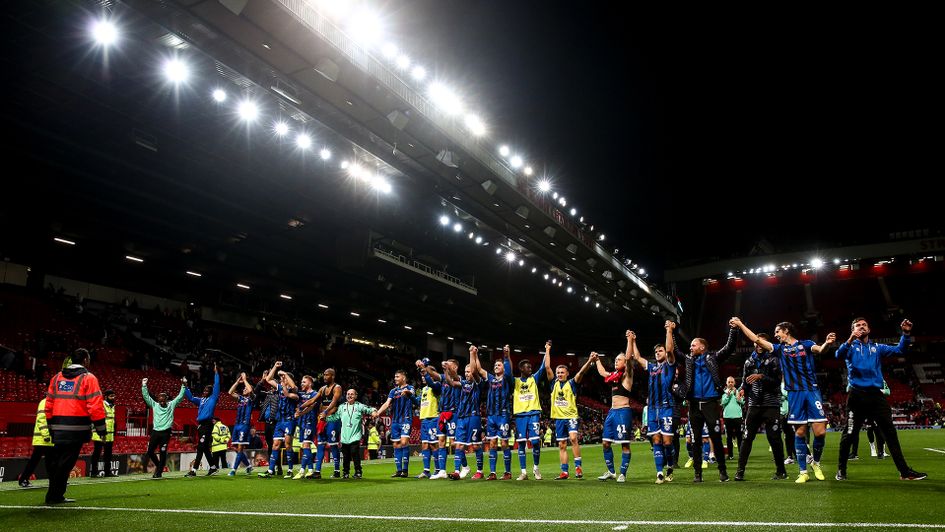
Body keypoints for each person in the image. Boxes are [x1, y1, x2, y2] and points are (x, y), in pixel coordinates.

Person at [732, 317, 836, 483]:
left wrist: (827, 343)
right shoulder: (779, 349)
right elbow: (755, 339)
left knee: (820, 432)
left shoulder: (806, 344)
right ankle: (803, 472)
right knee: (800, 432)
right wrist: (740, 324)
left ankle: (815, 462)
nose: (775, 334)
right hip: (794, 393)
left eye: (777, 331)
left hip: (811, 391)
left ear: (786, 331)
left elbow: (820, 350)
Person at [835, 318, 926, 481]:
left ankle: (905, 472)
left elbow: (900, 350)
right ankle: (841, 470)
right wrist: (850, 338)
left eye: (864, 325)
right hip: (857, 396)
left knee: (890, 434)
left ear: (869, 329)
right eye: (857, 326)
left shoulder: (877, 348)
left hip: (876, 396)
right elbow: (838, 354)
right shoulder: (850, 347)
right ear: (853, 330)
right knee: (849, 434)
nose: (861, 327)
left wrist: (905, 333)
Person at [674, 320, 737, 482]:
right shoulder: (689, 361)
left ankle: (722, 472)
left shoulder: (713, 358)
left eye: (693, 345)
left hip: (710, 404)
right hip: (694, 405)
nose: (690, 347)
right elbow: (674, 351)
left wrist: (733, 329)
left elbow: (729, 348)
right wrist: (670, 332)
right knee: (696, 440)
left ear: (702, 347)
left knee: (716, 438)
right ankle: (697, 474)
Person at [44, 348, 107, 504]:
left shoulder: (56, 377)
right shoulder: (89, 378)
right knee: (65, 464)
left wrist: (50, 425)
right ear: (85, 360)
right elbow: (95, 406)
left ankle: (54, 494)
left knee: (59, 462)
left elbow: (49, 404)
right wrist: (101, 429)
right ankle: (54, 495)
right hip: (76, 429)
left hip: (57, 427)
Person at [733, 332, 787, 481]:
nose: (758, 345)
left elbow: (777, 382)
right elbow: (745, 382)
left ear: (766, 344)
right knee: (747, 438)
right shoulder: (749, 362)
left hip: (771, 405)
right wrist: (742, 390)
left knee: (774, 438)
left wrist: (762, 376)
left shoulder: (774, 359)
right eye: (756, 342)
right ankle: (740, 471)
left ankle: (781, 471)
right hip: (754, 405)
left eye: (761, 342)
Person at [629, 321, 676, 483]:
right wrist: (633, 341)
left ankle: (670, 465)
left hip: (666, 408)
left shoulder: (670, 365)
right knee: (656, 440)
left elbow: (670, 349)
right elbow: (637, 357)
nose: (657, 352)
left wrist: (669, 331)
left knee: (667, 442)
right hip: (652, 410)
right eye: (656, 351)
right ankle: (659, 473)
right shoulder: (652, 368)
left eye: (660, 350)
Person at [593, 331, 637, 483]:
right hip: (612, 412)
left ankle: (622, 473)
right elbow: (602, 372)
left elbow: (629, 356)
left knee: (624, 444)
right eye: (616, 360)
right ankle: (611, 472)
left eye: (619, 360)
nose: (617, 361)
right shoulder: (613, 376)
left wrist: (629, 340)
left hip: (623, 411)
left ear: (625, 362)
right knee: (605, 443)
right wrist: (597, 359)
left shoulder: (628, 375)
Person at [546, 349, 597, 480]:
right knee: (562, 445)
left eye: (562, 372)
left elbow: (581, 372)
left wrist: (590, 361)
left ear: (567, 374)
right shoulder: (553, 384)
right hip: (559, 418)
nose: (559, 374)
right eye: (558, 372)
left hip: (571, 417)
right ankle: (564, 472)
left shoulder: (572, 383)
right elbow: (547, 366)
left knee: (573, 438)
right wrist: (547, 350)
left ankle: (578, 467)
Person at [447, 347, 488, 480]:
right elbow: (452, 380)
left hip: (474, 417)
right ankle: (457, 471)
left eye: (468, 372)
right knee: (458, 445)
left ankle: (480, 471)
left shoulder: (478, 383)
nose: (467, 374)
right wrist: (448, 369)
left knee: (475, 445)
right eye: (465, 372)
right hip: (462, 417)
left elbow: (476, 372)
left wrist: (472, 354)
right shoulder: (463, 383)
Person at [512, 341, 549, 480]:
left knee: (534, 442)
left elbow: (543, 367)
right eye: (528, 367)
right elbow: (508, 371)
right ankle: (523, 472)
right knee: (521, 443)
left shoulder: (534, 379)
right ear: (521, 369)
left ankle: (536, 468)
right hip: (520, 415)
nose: (530, 369)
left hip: (533, 413)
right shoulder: (515, 381)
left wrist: (547, 350)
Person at [299, 368, 343, 479]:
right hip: (322, 420)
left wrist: (325, 411)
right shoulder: (322, 389)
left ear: (332, 376)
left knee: (333, 445)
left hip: (333, 419)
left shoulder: (337, 387)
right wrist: (300, 408)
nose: (324, 377)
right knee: (320, 445)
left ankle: (337, 470)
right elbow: (312, 400)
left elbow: (334, 402)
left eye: (327, 375)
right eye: (324, 375)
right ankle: (317, 471)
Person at [478, 345, 514, 480]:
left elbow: (509, 369)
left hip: (503, 415)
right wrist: (474, 355)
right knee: (492, 443)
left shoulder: (507, 379)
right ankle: (492, 472)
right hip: (491, 416)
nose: (496, 366)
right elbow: (480, 369)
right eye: (495, 365)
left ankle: (507, 472)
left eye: (499, 365)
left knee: (504, 443)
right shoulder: (491, 378)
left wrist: (506, 356)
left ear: (504, 367)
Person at [258, 361, 299, 478]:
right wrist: (275, 367)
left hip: (289, 420)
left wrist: (285, 374)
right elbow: (268, 379)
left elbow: (292, 388)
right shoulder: (279, 387)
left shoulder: (294, 391)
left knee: (287, 444)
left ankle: (290, 470)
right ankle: (271, 470)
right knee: (275, 444)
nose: (282, 379)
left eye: (284, 378)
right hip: (280, 421)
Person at [372, 369, 415, 477]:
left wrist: (407, 393)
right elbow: (387, 403)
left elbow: (412, 394)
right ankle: (399, 470)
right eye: (395, 377)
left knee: (404, 442)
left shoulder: (410, 388)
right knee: (396, 444)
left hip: (406, 419)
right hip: (395, 420)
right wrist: (378, 412)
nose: (395, 379)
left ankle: (405, 470)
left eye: (397, 377)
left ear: (403, 378)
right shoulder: (393, 391)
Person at [142, 376, 187, 478]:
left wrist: (183, 385)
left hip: (166, 433)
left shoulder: (171, 404)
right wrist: (144, 385)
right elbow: (146, 396)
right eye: (160, 399)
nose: (161, 401)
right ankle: (159, 466)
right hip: (155, 432)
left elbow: (180, 396)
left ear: (166, 399)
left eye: (163, 399)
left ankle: (159, 472)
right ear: (158, 400)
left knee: (163, 452)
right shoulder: (154, 404)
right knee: (150, 452)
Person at [184, 363, 221, 477]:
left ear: (211, 392)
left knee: (200, 447)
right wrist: (185, 386)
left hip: (207, 425)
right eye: (204, 389)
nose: (204, 391)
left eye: (207, 390)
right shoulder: (201, 400)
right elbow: (190, 398)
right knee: (204, 448)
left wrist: (216, 373)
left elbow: (217, 384)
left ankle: (194, 470)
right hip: (200, 426)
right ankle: (213, 467)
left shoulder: (213, 398)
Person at [338, 388, 376, 478]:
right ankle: (345, 472)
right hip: (344, 437)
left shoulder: (359, 406)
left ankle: (358, 471)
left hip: (355, 436)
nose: (349, 395)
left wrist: (374, 411)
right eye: (348, 394)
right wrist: (326, 417)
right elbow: (335, 416)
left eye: (352, 394)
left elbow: (368, 409)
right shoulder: (342, 407)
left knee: (354, 453)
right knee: (346, 456)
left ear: (355, 396)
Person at [415, 358, 442, 479]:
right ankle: (426, 470)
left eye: (425, 373)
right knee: (425, 445)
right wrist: (410, 396)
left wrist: (423, 369)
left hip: (433, 418)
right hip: (424, 419)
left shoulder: (436, 385)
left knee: (433, 445)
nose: (422, 375)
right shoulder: (424, 389)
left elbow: (430, 382)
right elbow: (417, 401)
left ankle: (437, 469)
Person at [17, 398, 53, 487]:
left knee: (48, 461)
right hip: (43, 439)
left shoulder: (51, 402)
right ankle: (23, 479)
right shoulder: (45, 402)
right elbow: (41, 419)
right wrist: (46, 435)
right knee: (37, 461)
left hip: (47, 439)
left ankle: (54, 480)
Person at [253, 371, 282, 475]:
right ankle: (272, 468)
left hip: (276, 423)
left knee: (276, 446)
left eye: (273, 383)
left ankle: (279, 467)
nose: (271, 385)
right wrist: (262, 380)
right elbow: (256, 391)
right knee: (270, 446)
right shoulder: (267, 394)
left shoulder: (280, 394)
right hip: (267, 424)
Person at [227, 373, 255, 476]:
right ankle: (248, 466)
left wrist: (245, 379)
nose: (244, 389)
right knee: (236, 448)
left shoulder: (251, 398)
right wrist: (238, 382)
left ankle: (234, 470)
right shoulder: (240, 398)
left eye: (245, 388)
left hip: (244, 425)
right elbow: (230, 392)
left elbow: (251, 390)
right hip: (237, 424)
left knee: (240, 448)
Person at [292, 375, 318, 478]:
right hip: (302, 422)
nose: (302, 383)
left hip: (310, 422)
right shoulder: (301, 394)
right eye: (301, 382)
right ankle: (310, 470)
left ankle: (302, 471)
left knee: (306, 445)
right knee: (304, 446)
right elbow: (293, 388)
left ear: (310, 383)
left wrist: (300, 413)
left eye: (304, 382)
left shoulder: (315, 394)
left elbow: (311, 406)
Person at [90, 389, 117, 477]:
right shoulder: (101, 405)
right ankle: (94, 472)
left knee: (108, 455)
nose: (113, 398)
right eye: (111, 396)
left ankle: (107, 472)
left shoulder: (112, 406)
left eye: (114, 396)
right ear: (106, 397)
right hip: (100, 434)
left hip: (109, 435)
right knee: (97, 453)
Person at [721, 377, 744, 460]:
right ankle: (730, 455)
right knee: (729, 437)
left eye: (732, 382)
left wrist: (738, 396)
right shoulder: (724, 392)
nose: (730, 383)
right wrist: (729, 394)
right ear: (726, 383)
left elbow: (742, 402)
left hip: (737, 416)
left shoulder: (738, 391)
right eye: (729, 382)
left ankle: (741, 454)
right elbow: (723, 402)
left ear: (734, 383)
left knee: (739, 437)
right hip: (727, 417)